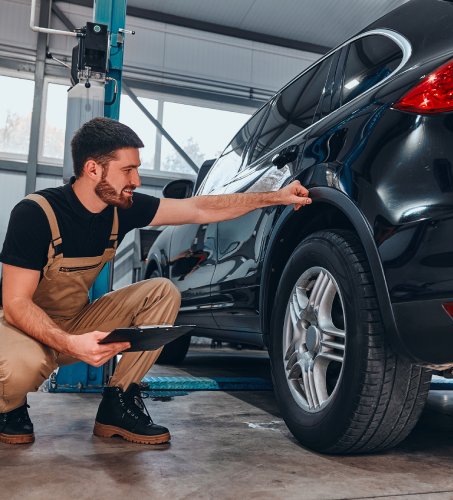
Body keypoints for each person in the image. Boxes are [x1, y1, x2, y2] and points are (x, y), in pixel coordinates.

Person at [0, 117, 312, 446]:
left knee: (161, 291)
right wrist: (69, 344)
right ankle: (10, 407)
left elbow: (199, 208)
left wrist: (275, 197)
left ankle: (117, 403)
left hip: (76, 321)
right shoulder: (36, 213)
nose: (136, 179)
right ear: (93, 169)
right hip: (22, 327)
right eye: (127, 170)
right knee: (23, 366)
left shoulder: (122, 209)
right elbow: (16, 303)